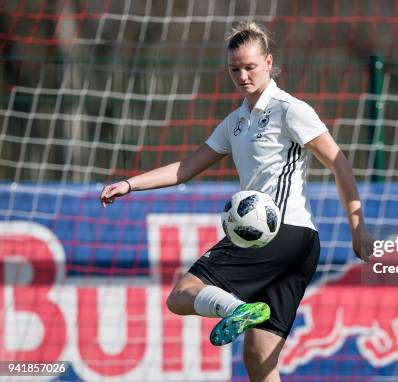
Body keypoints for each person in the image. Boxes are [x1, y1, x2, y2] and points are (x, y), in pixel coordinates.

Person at [100, 22, 374, 382]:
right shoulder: (236, 123)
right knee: (260, 361)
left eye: (250, 67)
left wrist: (358, 226)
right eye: (235, 69)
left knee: (182, 294)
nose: (243, 75)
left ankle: (238, 309)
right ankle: (243, 310)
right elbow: (186, 167)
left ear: (269, 62)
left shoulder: (290, 110)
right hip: (301, 246)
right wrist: (129, 184)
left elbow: (340, 164)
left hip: (276, 234)